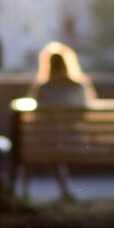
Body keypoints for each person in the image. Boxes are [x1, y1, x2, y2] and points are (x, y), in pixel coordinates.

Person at [29, 41, 97, 201]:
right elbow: (82, 115)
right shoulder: (78, 87)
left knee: (35, 144)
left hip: (50, 141)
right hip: (76, 140)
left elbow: (38, 116)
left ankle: (25, 191)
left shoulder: (43, 88)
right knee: (57, 142)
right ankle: (65, 191)